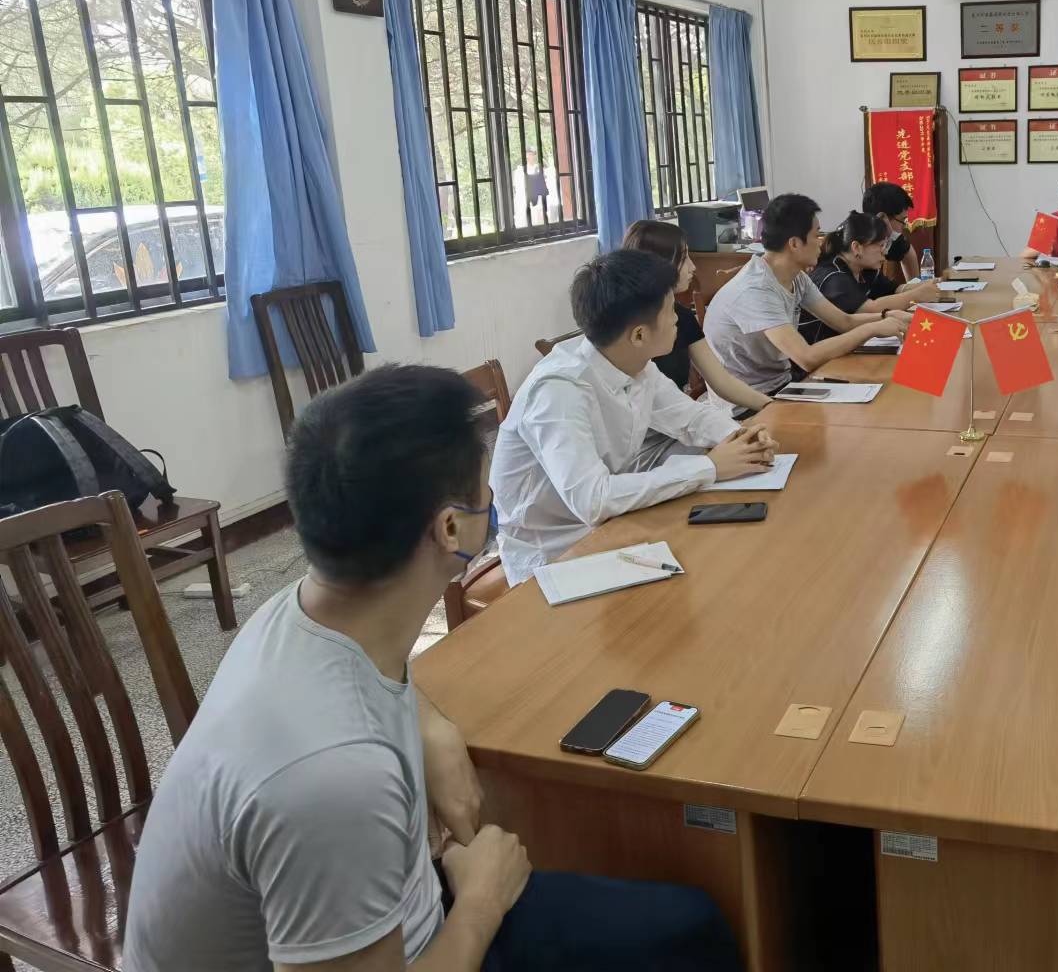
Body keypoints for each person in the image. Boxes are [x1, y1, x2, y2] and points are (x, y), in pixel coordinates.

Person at [124, 365, 742, 972]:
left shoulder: (303, 611)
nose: (494, 500)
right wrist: (481, 900)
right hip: (437, 933)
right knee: (691, 937)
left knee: (685, 921)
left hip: (406, 911)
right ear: (450, 527)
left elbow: (367, 685)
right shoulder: (333, 781)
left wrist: (433, 728)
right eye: (486, 488)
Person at [491, 248, 778, 583]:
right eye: (670, 311)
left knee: (722, 557)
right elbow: (593, 500)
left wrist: (741, 438)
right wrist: (711, 466)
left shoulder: (633, 363)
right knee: (706, 574)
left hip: (615, 525)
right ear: (639, 335)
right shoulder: (559, 391)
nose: (678, 318)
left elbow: (690, 416)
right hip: (556, 551)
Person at [704, 192, 912, 392]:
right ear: (794, 243)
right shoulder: (756, 290)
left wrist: (888, 316)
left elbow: (844, 321)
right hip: (751, 401)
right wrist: (872, 329)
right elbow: (806, 357)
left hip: (785, 384)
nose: (821, 241)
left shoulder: (796, 277)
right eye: (815, 235)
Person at [621, 218, 774, 415]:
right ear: (658, 263)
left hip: (674, 420)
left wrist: (771, 406)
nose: (693, 267)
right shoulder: (623, 326)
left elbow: (722, 381)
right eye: (684, 258)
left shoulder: (681, 316)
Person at [800, 210, 942, 343]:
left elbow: (895, 289)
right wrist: (915, 295)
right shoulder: (833, 276)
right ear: (857, 247)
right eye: (881, 245)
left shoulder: (865, 269)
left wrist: (926, 286)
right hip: (825, 352)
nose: (885, 252)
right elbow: (869, 309)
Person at [862, 180, 918, 281]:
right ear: (882, 218)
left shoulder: (882, 240)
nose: (904, 227)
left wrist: (917, 287)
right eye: (902, 221)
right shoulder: (860, 254)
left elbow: (907, 251)